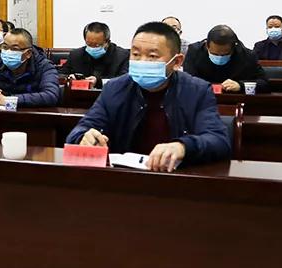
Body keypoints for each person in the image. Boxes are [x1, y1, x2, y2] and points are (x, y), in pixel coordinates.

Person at [67, 21, 231, 171]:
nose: (142, 61)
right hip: (124, 177)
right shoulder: (115, 88)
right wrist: (83, 137)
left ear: (177, 62)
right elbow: (80, 130)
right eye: (136, 54)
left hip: (177, 179)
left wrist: (183, 147)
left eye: (152, 56)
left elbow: (219, 141)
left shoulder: (197, 91)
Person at [183, 25, 267, 94]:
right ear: (206, 46)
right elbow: (187, 81)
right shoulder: (194, 52)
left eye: (225, 54)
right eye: (215, 54)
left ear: (234, 48)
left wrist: (240, 85)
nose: (219, 57)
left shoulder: (247, 56)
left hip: (235, 100)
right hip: (202, 99)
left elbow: (264, 83)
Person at [59, 21, 129, 87]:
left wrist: (99, 82)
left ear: (107, 42)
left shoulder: (122, 56)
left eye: (97, 45)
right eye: (89, 44)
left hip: (110, 94)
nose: (92, 48)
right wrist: (69, 77)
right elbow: (60, 75)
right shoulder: (76, 55)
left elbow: (125, 81)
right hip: (81, 94)